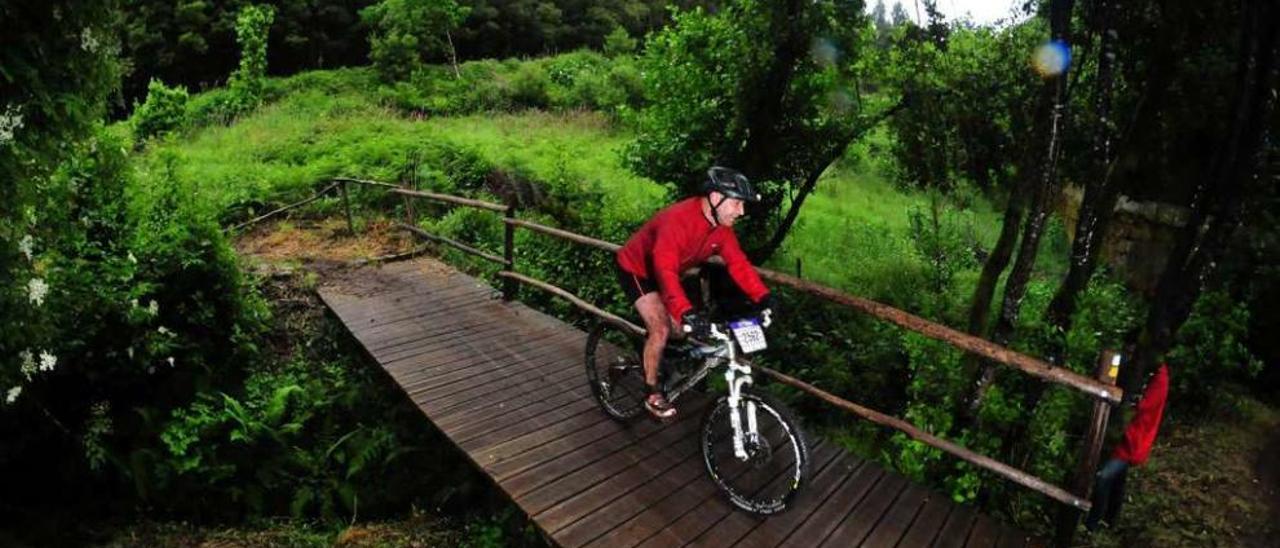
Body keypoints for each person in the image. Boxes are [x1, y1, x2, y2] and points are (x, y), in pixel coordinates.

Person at [615, 166, 776, 420]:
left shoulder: (721, 228)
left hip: (667, 272)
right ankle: (651, 392)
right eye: (736, 204)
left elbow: (738, 264)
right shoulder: (677, 221)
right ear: (715, 198)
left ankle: (662, 362)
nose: (741, 212)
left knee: (681, 329)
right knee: (662, 328)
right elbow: (665, 272)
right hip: (637, 269)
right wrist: (685, 311)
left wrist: (763, 297)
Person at [1086, 362, 1171, 531]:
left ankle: (1092, 523)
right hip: (1127, 437)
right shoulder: (1148, 373)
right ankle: (1110, 519)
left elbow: (1143, 407)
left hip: (1133, 440)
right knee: (1118, 479)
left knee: (1104, 477)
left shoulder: (1158, 379)